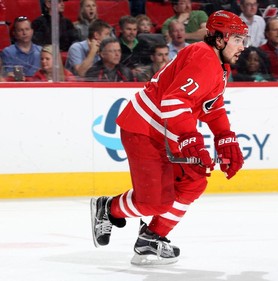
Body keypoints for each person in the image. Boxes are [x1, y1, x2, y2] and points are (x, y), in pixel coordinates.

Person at [90, 10, 246, 266]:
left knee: (194, 180)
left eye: (243, 39)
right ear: (219, 39)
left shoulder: (218, 64)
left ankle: (151, 238)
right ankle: (108, 208)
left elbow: (212, 105)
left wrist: (225, 137)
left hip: (166, 131)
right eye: (237, 39)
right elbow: (173, 101)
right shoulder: (204, 59)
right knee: (153, 203)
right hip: (144, 129)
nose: (242, 46)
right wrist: (189, 139)